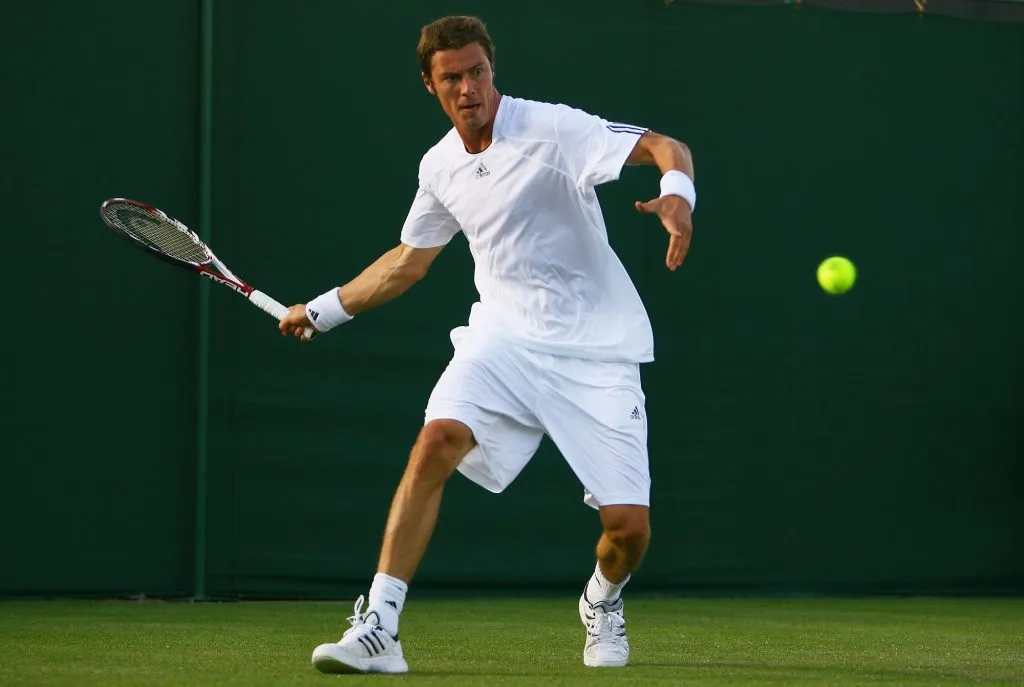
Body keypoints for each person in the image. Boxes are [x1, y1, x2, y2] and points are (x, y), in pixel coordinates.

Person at [278, 14, 696, 675]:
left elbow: (667, 146)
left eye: (477, 72)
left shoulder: (552, 130)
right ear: (431, 85)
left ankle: (602, 597)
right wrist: (322, 311)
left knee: (628, 529)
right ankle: (379, 626)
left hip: (595, 347)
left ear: (491, 71)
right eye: (453, 78)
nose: (469, 87)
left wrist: (678, 195)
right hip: (503, 338)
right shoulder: (439, 167)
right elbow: (406, 264)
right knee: (435, 440)